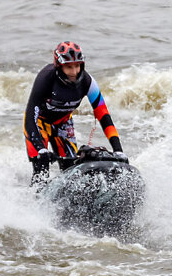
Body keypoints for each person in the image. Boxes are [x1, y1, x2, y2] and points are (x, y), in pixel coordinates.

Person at [23, 41, 126, 185]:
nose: (74, 72)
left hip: (63, 124)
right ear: (59, 66)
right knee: (41, 168)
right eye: (69, 67)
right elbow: (30, 116)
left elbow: (104, 116)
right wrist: (40, 149)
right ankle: (35, 199)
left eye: (77, 66)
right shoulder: (45, 78)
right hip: (39, 123)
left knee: (71, 170)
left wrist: (118, 149)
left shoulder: (88, 82)